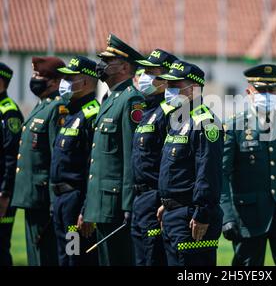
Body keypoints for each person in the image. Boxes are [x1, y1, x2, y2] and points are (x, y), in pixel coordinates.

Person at [220, 64, 276, 266]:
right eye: (261, 90)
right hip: (249, 215)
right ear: (249, 92)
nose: (267, 95)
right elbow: (222, 174)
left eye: (271, 90)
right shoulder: (234, 126)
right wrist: (227, 216)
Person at [83, 34, 145, 266]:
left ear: (125, 67)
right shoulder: (110, 99)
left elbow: (132, 157)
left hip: (116, 204)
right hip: (101, 202)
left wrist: (128, 205)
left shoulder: (131, 100)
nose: (101, 65)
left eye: (108, 61)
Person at [157, 60, 223, 266]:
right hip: (173, 215)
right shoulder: (178, 121)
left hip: (191, 219)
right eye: (168, 85)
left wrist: (202, 213)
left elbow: (208, 171)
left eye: (175, 86)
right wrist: (167, 202)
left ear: (194, 88)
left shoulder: (206, 122)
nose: (169, 90)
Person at [11, 57, 67, 266]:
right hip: (31, 196)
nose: (34, 80)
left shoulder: (57, 109)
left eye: (39, 76)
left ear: (54, 81)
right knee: (35, 255)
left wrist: (54, 202)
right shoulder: (41, 105)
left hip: (44, 197)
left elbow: (57, 158)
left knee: (45, 255)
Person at [49, 56, 100, 266]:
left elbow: (93, 166)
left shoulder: (92, 115)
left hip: (75, 201)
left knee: (76, 257)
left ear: (86, 82)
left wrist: (86, 209)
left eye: (71, 78)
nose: (65, 83)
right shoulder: (72, 114)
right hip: (61, 201)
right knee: (64, 257)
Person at [130, 49, 178, 266]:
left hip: (155, 200)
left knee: (153, 260)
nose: (145, 77)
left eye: (152, 72)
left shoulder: (171, 113)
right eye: (144, 71)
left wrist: (163, 201)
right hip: (139, 200)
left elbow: (172, 163)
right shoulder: (148, 110)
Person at [0, 63, 24, 266]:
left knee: (0, 246)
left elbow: (10, 157)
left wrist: (5, 194)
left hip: (1, 195)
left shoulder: (9, 113)